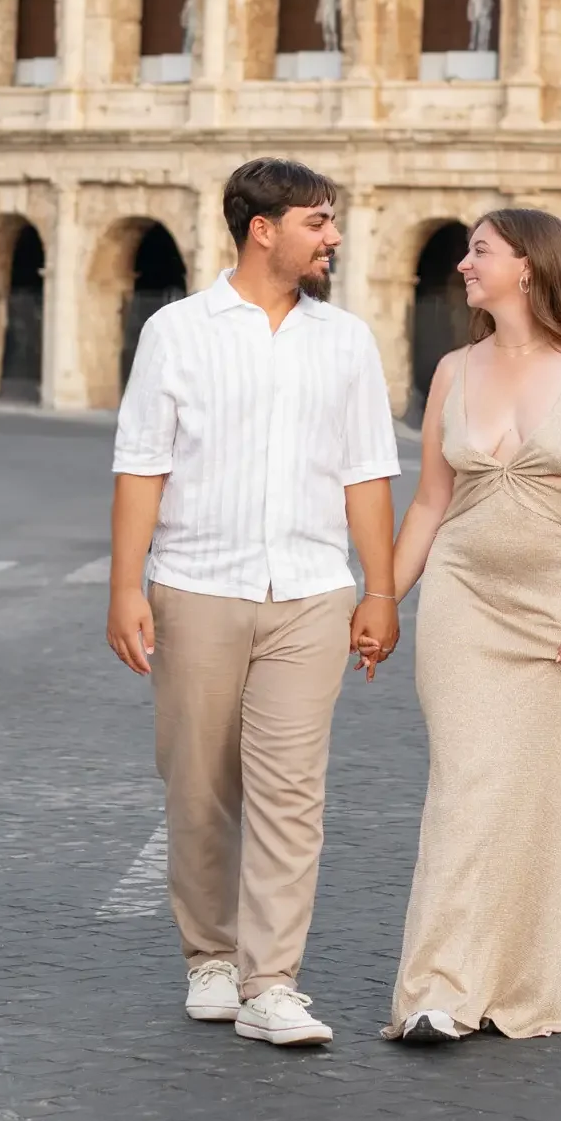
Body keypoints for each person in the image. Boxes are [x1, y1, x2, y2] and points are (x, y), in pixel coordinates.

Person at [106, 157, 401, 1049]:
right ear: (262, 228)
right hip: (198, 583)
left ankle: (273, 983)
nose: (334, 237)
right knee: (197, 785)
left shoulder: (345, 339)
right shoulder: (177, 332)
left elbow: (366, 473)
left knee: (290, 791)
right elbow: (142, 462)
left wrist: (380, 591)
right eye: (318, 221)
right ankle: (210, 958)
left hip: (312, 592)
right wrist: (126, 587)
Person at [384, 207, 561, 1045]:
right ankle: (438, 989)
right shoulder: (454, 370)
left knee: (539, 799)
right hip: (462, 600)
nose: (462, 263)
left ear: (527, 266)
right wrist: (380, 597)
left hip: (557, 611)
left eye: (479, 250)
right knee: (465, 785)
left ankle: (518, 985)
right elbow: (429, 502)